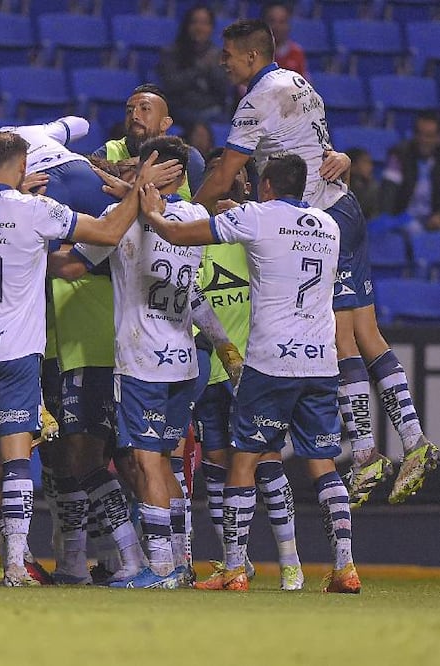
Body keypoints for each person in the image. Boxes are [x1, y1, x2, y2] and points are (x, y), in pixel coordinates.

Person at [0, 131, 181, 586]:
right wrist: (138, 187)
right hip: (16, 352)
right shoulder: (37, 211)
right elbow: (108, 232)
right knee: (15, 458)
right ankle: (14, 565)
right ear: (25, 167)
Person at [193, 19, 437, 507]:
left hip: (320, 222)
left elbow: (224, 174)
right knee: (366, 334)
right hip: (344, 207)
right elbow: (319, 149)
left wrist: (189, 213)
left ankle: (368, 452)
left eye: (227, 53)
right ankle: (412, 439)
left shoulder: (256, 101)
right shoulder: (299, 82)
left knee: (342, 340)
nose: (222, 61)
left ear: (250, 56)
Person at [140, 152, 361, 593]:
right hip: (320, 360)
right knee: (322, 462)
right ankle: (345, 567)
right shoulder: (328, 226)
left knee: (243, 461)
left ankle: (234, 569)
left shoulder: (257, 217)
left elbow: (181, 234)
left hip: (271, 361)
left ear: (267, 186)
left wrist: (153, 216)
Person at [68, 136, 240, 589]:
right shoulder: (196, 217)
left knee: (145, 462)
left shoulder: (122, 219)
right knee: (164, 462)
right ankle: (180, 561)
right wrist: (225, 347)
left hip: (141, 360)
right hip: (183, 360)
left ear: (154, 169)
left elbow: (74, 265)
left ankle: (161, 568)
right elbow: (194, 293)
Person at [192, 148, 304, 591]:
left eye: (237, 175)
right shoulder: (197, 236)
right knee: (217, 467)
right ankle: (234, 560)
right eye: (219, 175)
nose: (230, 182)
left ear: (251, 184)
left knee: (267, 462)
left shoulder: (261, 230)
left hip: (256, 367)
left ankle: (291, 562)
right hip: (212, 368)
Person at [156, 5, 230, 125]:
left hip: (211, 110)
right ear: (187, 26)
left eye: (204, 23)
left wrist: (213, 69)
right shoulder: (171, 52)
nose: (199, 28)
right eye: (194, 22)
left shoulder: (218, 55)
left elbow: (224, 90)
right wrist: (200, 68)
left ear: (211, 28)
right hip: (181, 109)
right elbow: (171, 85)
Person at [380, 111, 440, 232]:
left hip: (432, 221)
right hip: (404, 219)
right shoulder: (398, 155)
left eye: (429, 136)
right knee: (414, 229)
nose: (423, 140)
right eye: (419, 134)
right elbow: (388, 194)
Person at [263, 1, 310, 79]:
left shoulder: (296, 53)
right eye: (272, 21)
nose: (277, 27)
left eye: (282, 22)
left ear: (288, 25)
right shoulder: (255, 53)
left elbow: (304, 83)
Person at [347, 148, 380, 221]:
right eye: (365, 162)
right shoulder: (340, 188)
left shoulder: (373, 188)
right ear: (352, 166)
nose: (370, 167)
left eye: (370, 163)